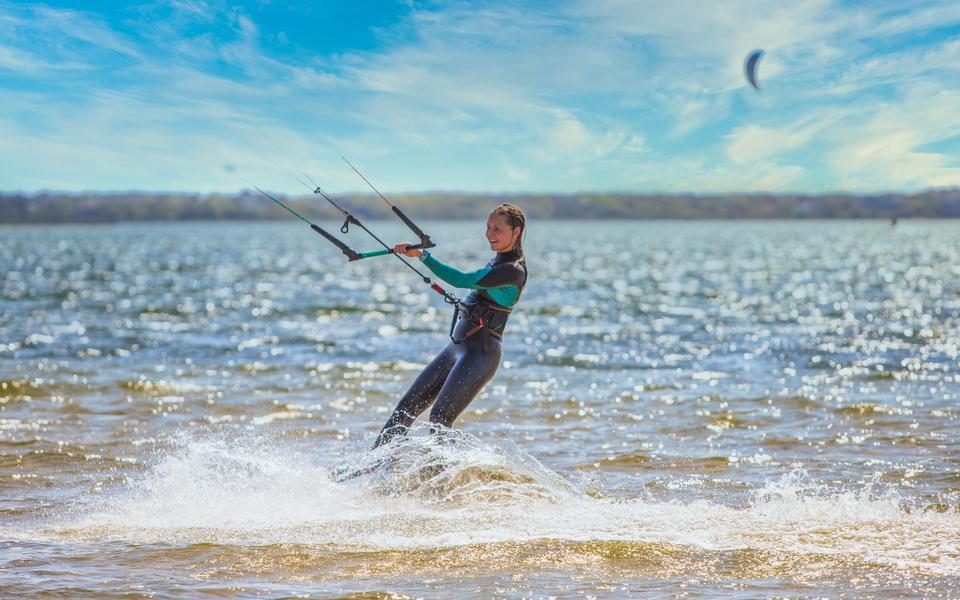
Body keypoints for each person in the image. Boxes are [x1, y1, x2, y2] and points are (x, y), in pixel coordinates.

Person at [372, 203, 528, 448]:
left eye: (497, 229)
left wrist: (423, 256)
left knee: (439, 418)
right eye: (488, 227)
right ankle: (372, 466)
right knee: (405, 410)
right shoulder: (495, 263)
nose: (489, 234)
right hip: (456, 348)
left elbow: (461, 280)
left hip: (480, 353)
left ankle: (446, 479)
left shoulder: (512, 271)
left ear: (516, 231)